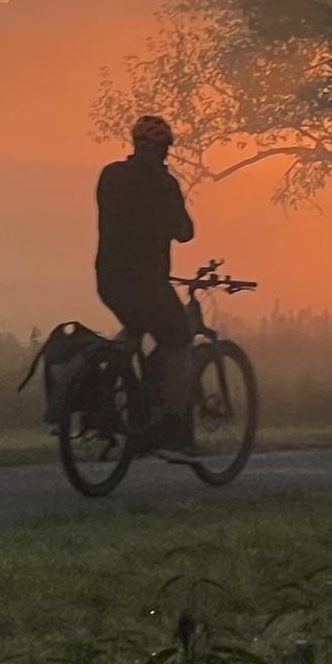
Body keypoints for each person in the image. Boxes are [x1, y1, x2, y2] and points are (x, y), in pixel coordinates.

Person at [94, 112, 198, 445]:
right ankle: (172, 423)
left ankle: (114, 393)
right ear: (164, 149)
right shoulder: (164, 185)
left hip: (109, 279)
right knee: (179, 341)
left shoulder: (110, 176)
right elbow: (185, 232)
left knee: (134, 327)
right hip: (149, 283)